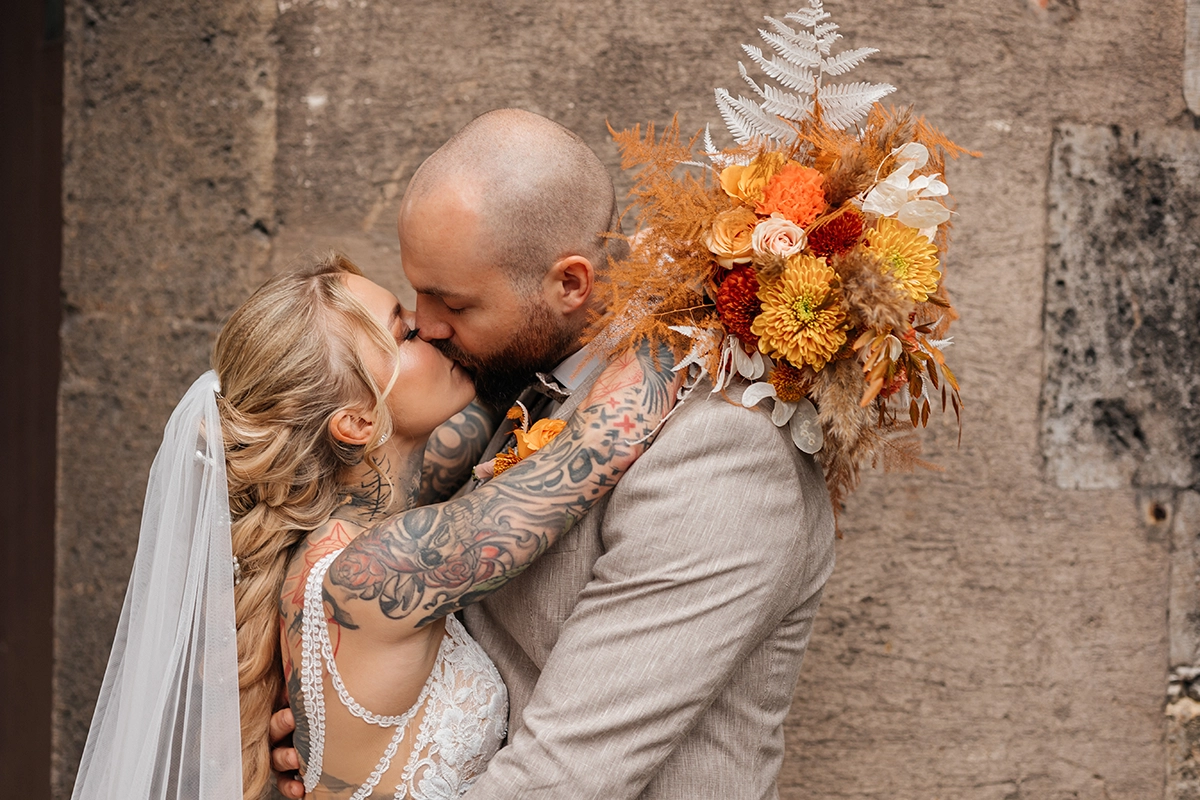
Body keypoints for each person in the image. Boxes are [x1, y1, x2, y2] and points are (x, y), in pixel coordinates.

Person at [269, 109, 838, 799]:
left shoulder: (719, 449)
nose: (426, 323)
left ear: (569, 284)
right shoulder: (519, 387)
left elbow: (563, 778)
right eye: (415, 295)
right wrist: (357, 742)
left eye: (452, 301)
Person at [70, 253, 679, 800]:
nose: (432, 328)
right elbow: (607, 438)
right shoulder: (372, 571)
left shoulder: (368, 517)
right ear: (357, 423)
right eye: (405, 331)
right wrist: (706, 275)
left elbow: (499, 380)